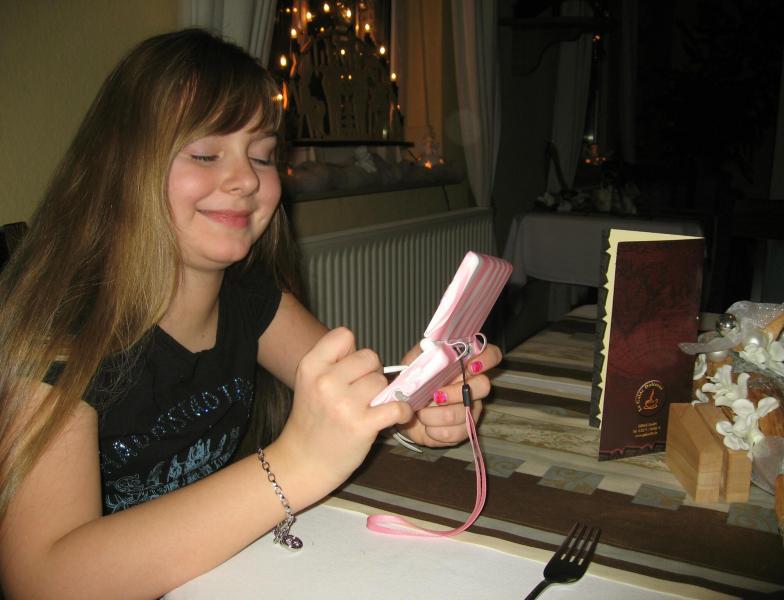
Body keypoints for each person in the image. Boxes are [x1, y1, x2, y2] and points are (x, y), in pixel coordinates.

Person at [0, 29, 501, 598]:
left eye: (261, 156)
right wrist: (295, 463)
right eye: (205, 153)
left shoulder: (250, 296)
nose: (246, 179)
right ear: (121, 165)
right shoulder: (58, 338)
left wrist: (413, 408)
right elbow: (42, 581)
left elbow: (358, 404)